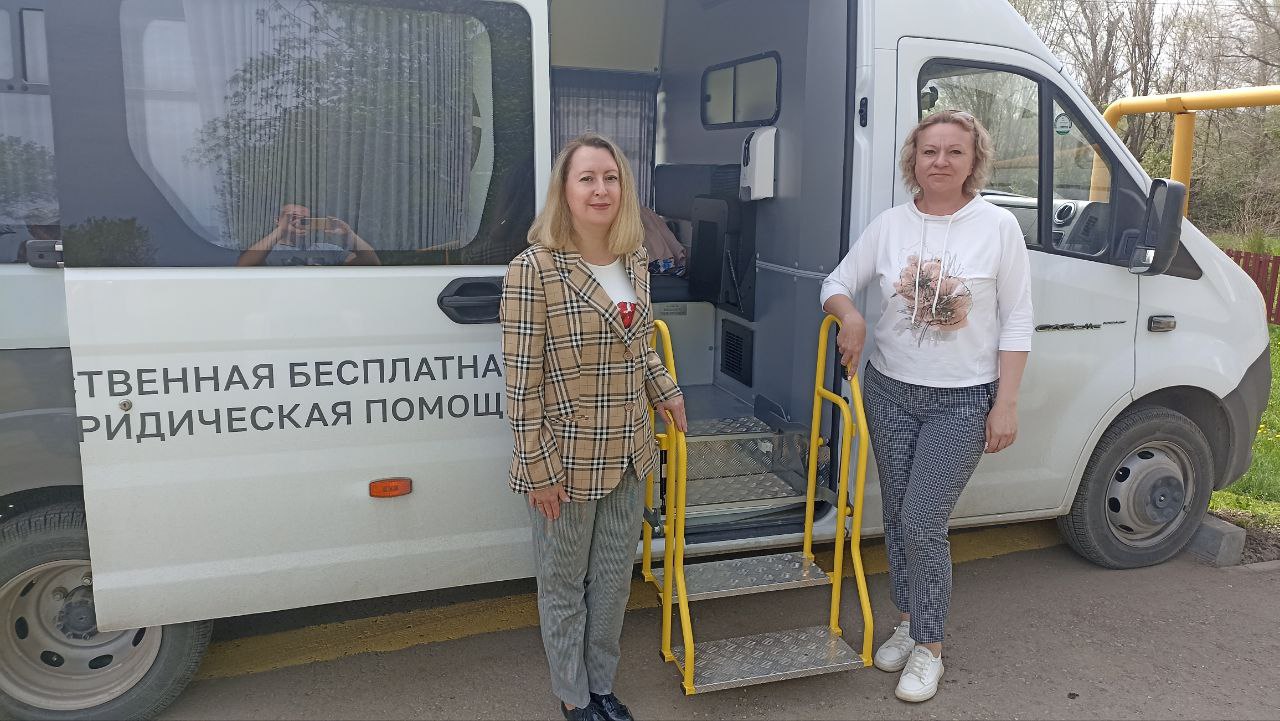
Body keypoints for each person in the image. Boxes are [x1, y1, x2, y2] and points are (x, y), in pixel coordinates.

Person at [819, 110, 1033, 703]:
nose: (940, 161)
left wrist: (1006, 403)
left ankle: (930, 647)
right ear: (913, 159)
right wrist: (851, 315)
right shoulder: (890, 225)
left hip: (962, 400)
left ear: (973, 161)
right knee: (896, 515)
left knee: (922, 519)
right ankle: (910, 621)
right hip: (890, 390)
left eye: (954, 152)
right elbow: (834, 283)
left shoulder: (998, 227)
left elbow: (1018, 320)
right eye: (929, 150)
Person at [500, 133, 687, 721]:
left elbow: (641, 346)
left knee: (611, 584)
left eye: (611, 178)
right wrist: (538, 471)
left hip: (630, 453)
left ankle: (602, 686)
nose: (600, 189)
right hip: (565, 461)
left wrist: (666, 391)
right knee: (563, 587)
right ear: (565, 190)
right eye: (587, 178)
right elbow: (521, 385)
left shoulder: (633, 259)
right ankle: (573, 696)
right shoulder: (534, 270)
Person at [236, 203, 379, 266]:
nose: (298, 221)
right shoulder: (265, 250)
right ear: (278, 220)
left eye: (304, 219)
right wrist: (281, 230)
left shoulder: (326, 249)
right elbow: (243, 265)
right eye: (292, 217)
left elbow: (372, 262)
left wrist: (349, 235)